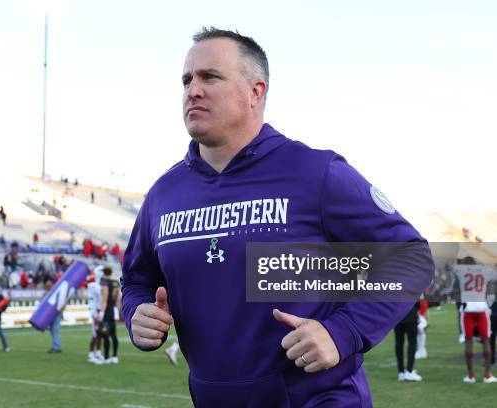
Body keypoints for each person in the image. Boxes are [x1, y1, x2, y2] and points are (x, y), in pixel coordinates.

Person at [121, 27, 434, 406]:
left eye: (210, 77)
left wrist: (342, 332)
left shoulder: (316, 173)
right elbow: (137, 280)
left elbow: (411, 256)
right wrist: (137, 313)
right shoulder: (164, 194)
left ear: (256, 91)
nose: (193, 90)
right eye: (187, 80)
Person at [453, 257, 496, 383]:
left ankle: (470, 375)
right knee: (486, 340)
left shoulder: (460, 271)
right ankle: (487, 375)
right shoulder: (484, 271)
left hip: (467, 310)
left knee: (468, 341)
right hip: (482, 308)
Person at [96, 267, 120, 364]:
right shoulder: (116, 283)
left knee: (105, 334)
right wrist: (117, 311)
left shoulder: (104, 283)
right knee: (114, 335)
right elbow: (118, 299)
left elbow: (104, 300)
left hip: (106, 311)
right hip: (113, 310)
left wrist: (101, 313)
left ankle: (106, 357)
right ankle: (114, 356)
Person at [394, 303, 422, 381]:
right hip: (410, 315)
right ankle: (409, 371)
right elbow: (417, 303)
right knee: (412, 343)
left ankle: (401, 372)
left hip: (397, 315)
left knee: (399, 343)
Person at [87, 267, 105, 364]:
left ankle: (98, 352)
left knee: (100, 333)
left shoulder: (99, 284)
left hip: (99, 311)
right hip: (95, 312)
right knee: (95, 334)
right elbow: (101, 292)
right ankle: (90, 354)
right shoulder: (93, 285)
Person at [44, 279, 64, 353]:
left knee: (55, 330)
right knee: (52, 330)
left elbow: (62, 302)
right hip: (51, 314)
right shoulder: (48, 293)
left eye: (48, 285)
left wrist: (61, 312)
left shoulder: (56, 292)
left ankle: (56, 346)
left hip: (57, 313)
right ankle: (55, 345)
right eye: (46, 286)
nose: (47, 287)